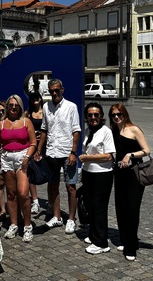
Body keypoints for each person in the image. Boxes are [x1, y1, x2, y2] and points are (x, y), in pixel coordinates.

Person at [0, 95, 37, 242]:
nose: (13, 107)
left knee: (23, 193)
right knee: (11, 194)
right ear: (7, 107)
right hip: (6, 158)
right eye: (10, 105)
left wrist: (27, 157)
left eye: (16, 105)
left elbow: (33, 142)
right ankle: (14, 223)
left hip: (22, 157)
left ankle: (28, 226)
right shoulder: (2, 124)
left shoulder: (26, 121)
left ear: (20, 106)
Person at [36, 78, 81, 234]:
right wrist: (39, 150)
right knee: (53, 185)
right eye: (51, 90)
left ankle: (71, 219)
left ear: (62, 89)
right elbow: (44, 130)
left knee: (71, 187)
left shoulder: (71, 107)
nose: (54, 93)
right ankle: (57, 216)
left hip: (67, 152)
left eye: (57, 90)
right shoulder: (46, 107)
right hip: (51, 152)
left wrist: (74, 152)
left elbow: (76, 131)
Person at [110, 103, 152, 262]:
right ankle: (124, 239)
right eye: (113, 115)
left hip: (134, 174)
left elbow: (147, 150)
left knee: (132, 208)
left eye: (119, 114)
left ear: (125, 114)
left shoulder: (134, 129)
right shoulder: (114, 130)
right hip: (119, 173)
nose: (116, 117)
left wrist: (130, 155)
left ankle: (131, 246)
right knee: (120, 207)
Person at [78, 102, 115, 255]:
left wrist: (88, 157)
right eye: (90, 115)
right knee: (91, 206)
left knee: (99, 208)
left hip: (102, 175)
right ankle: (94, 234)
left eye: (96, 115)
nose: (93, 117)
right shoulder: (88, 131)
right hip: (88, 173)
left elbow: (109, 155)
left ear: (101, 116)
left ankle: (101, 242)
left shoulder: (106, 132)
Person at [25, 91, 44, 215]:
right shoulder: (27, 113)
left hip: (45, 145)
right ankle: (35, 201)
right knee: (31, 173)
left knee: (49, 174)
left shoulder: (46, 112)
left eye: (37, 97)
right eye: (32, 98)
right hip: (31, 145)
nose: (35, 100)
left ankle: (52, 203)